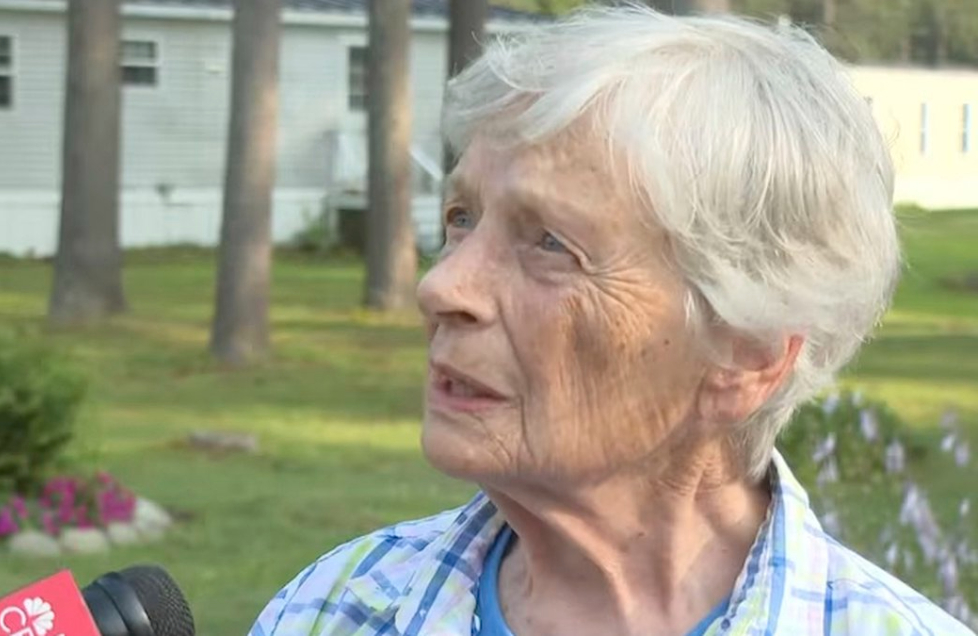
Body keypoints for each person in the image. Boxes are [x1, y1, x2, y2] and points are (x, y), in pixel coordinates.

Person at [249, 5, 975, 635]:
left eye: (551, 245)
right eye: (461, 218)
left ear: (747, 353)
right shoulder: (334, 610)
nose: (443, 286)